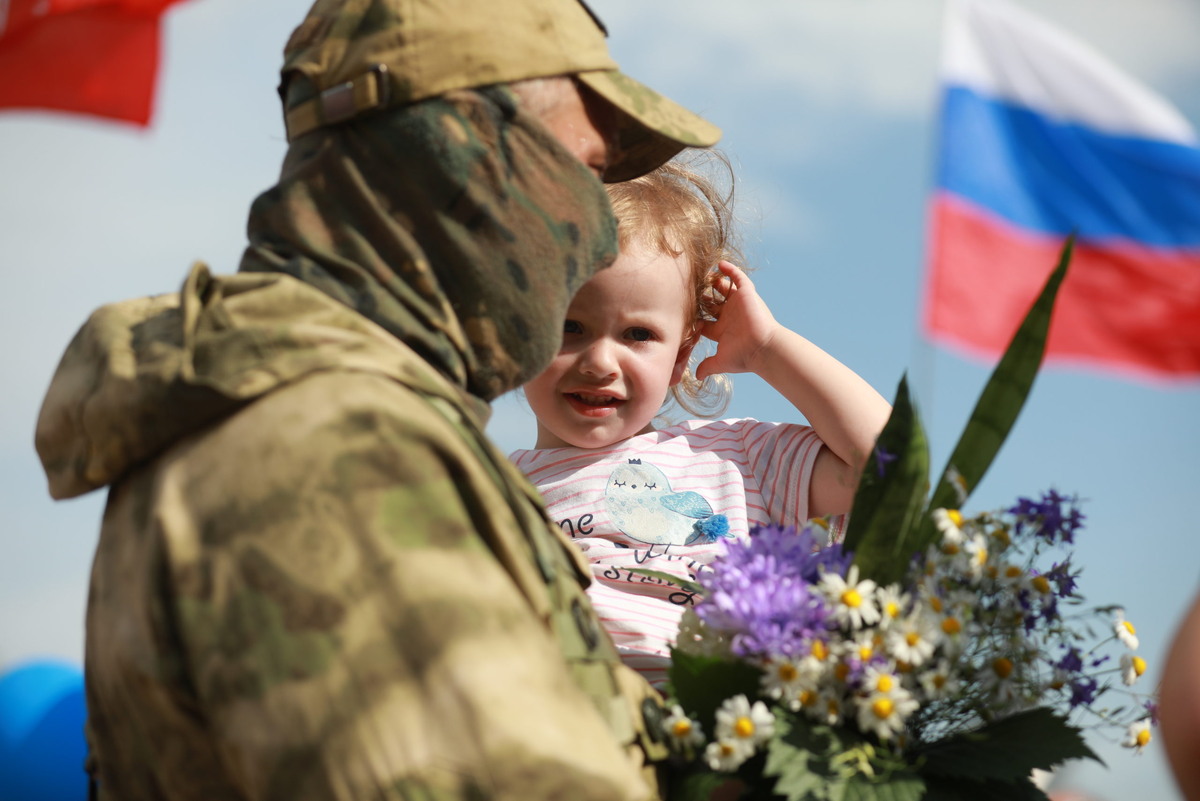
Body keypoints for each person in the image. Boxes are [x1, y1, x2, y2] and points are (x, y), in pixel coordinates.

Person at [33, 1, 722, 799]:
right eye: (583, 172)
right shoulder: (322, 449)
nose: (598, 236)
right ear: (460, 149)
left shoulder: (338, 420)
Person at [509, 159, 892, 686]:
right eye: (570, 326)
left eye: (638, 335)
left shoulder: (736, 459)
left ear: (683, 353)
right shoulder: (490, 490)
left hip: (725, 730)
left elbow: (890, 467)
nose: (600, 362)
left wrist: (767, 349)